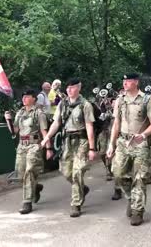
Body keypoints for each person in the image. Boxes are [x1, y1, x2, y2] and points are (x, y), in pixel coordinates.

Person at [107, 73, 151, 226]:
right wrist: (112, 144)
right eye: (124, 81)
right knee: (118, 174)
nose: (125, 83)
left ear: (136, 82)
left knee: (139, 178)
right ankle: (130, 197)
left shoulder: (147, 100)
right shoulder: (120, 100)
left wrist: (143, 135)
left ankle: (137, 211)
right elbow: (116, 123)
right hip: (122, 141)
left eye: (128, 81)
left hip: (139, 143)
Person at [41, 78, 96, 218]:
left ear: (79, 88)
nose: (69, 90)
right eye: (68, 87)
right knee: (66, 172)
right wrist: (46, 138)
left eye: (72, 87)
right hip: (67, 142)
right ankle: (82, 188)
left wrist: (92, 148)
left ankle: (76, 204)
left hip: (81, 141)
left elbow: (90, 126)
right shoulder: (63, 104)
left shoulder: (85, 105)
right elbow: (56, 123)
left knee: (77, 172)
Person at [4, 89, 52, 214]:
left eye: (27, 96)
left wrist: (48, 148)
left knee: (29, 171)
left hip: (34, 145)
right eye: (23, 96)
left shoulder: (39, 113)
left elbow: (44, 132)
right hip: (22, 145)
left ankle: (27, 202)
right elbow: (14, 131)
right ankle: (35, 188)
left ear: (34, 98)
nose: (24, 98)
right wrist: (8, 119)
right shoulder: (20, 113)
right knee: (20, 174)